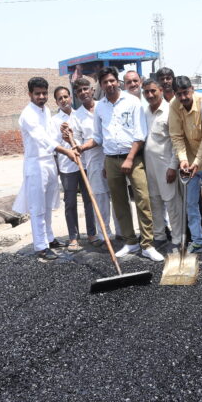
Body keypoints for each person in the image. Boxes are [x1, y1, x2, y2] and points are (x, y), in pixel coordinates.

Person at [76, 67, 163, 261]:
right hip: (111, 159)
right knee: (119, 202)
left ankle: (147, 244)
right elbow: (98, 137)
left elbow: (140, 134)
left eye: (112, 81)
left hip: (132, 157)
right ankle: (130, 241)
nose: (109, 84)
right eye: (105, 82)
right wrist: (82, 147)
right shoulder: (100, 107)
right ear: (101, 85)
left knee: (142, 199)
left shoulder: (133, 102)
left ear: (118, 82)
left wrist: (131, 158)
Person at [12, 77, 80, 261]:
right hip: (36, 164)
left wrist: (63, 131)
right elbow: (42, 138)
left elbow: (51, 134)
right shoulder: (27, 115)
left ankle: (49, 238)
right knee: (37, 207)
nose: (41, 96)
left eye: (44, 93)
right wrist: (65, 151)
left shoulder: (46, 111)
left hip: (49, 161)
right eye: (37, 93)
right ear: (30, 94)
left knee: (48, 204)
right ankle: (41, 246)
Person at [168, 76, 202, 253]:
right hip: (188, 164)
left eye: (185, 93)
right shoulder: (174, 105)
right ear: (174, 94)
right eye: (179, 94)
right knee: (191, 204)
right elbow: (176, 136)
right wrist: (183, 160)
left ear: (192, 89)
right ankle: (197, 240)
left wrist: (197, 161)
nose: (183, 98)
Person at [69, 77, 118, 245]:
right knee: (101, 199)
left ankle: (122, 233)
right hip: (94, 161)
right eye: (79, 91)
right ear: (76, 95)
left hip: (112, 156)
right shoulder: (77, 117)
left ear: (91, 90)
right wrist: (69, 139)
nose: (83, 93)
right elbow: (76, 142)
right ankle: (105, 235)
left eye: (85, 89)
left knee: (118, 197)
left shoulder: (104, 106)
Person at [51, 86, 96, 251]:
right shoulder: (55, 121)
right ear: (56, 101)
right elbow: (54, 145)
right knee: (70, 203)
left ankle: (92, 234)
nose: (64, 100)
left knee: (89, 200)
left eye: (66, 97)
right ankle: (73, 237)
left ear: (71, 98)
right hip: (66, 167)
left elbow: (85, 138)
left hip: (83, 164)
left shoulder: (80, 115)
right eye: (60, 98)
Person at [142, 79, 183, 249]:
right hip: (149, 166)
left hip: (166, 166)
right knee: (154, 202)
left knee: (172, 203)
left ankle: (177, 238)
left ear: (160, 90)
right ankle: (159, 235)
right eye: (146, 92)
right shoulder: (144, 112)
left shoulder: (169, 111)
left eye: (153, 91)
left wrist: (173, 166)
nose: (150, 95)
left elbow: (176, 141)